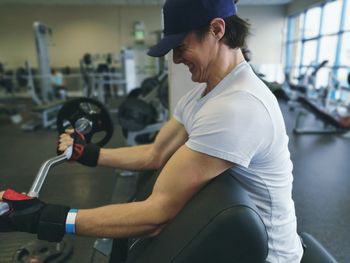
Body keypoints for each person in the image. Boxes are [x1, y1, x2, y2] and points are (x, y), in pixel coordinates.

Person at [0, 0, 303, 261]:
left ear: (217, 30)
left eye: (181, 47)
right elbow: (154, 153)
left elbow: (156, 214)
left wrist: (44, 218)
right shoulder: (203, 95)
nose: (175, 59)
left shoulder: (238, 106)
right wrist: (87, 153)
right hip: (227, 232)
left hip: (263, 255)